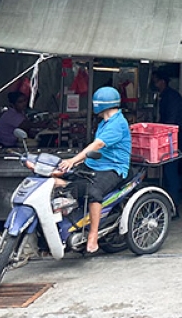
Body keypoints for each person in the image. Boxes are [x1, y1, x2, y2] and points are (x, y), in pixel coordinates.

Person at [56, 87, 131, 254]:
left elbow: (97, 145)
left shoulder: (118, 123)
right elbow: (94, 150)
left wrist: (73, 160)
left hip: (113, 168)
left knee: (93, 192)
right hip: (94, 164)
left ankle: (93, 234)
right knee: (62, 179)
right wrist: (75, 163)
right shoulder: (104, 122)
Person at [153, 70, 182, 213]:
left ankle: (173, 206)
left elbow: (170, 122)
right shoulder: (167, 96)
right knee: (168, 171)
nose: (154, 84)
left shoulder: (170, 97)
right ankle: (169, 203)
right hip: (169, 137)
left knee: (170, 171)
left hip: (172, 139)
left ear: (162, 82)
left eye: (155, 81)